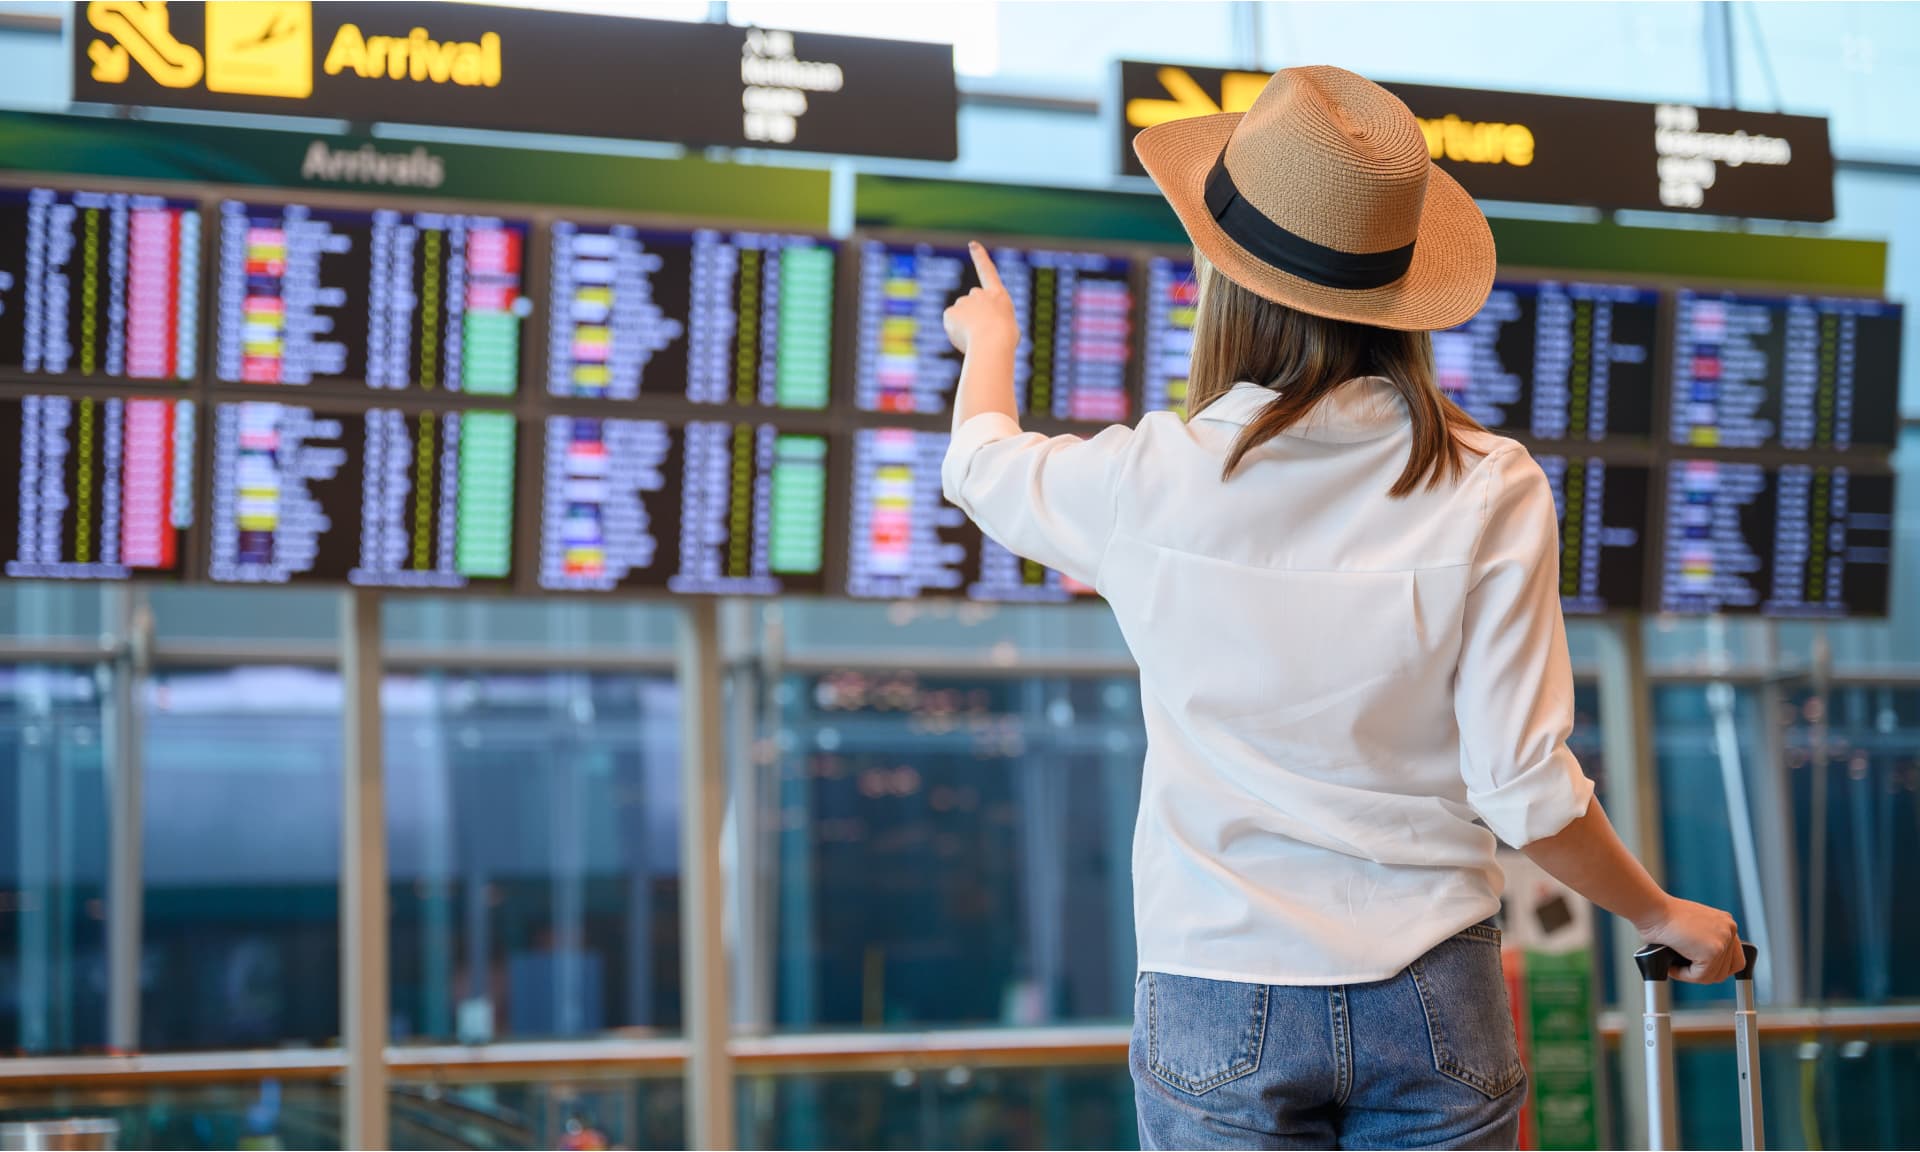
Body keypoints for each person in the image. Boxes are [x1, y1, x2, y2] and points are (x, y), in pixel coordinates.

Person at [937, 65, 1745, 1151]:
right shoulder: (1490, 483)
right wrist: (1657, 914)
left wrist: (991, 342)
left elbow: (983, 466)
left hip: (1212, 986)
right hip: (1435, 990)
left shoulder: (1151, 479)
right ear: (1400, 294)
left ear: (1227, 279)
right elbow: (1522, 789)